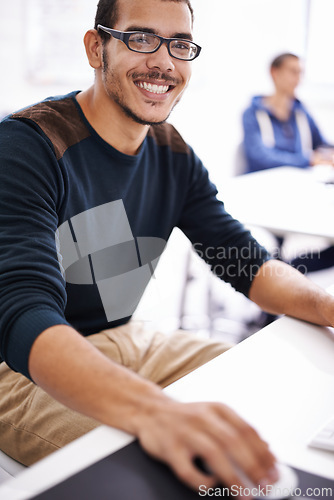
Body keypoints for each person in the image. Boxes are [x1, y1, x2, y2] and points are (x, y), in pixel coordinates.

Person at [0, 0, 334, 493]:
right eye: (141, 38)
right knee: (186, 467)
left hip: (127, 338)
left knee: (268, 392)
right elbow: (23, 313)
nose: (164, 61)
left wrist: (328, 305)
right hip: (19, 368)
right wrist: (153, 411)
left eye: (180, 44)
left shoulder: (171, 152)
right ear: (97, 48)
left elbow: (245, 262)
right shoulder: (27, 144)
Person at [242, 52, 334, 174]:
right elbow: (260, 158)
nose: (298, 79)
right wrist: (308, 160)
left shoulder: (301, 112)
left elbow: (321, 143)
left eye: (300, 73)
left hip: (298, 179)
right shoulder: (252, 114)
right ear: (274, 72)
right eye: (293, 72)